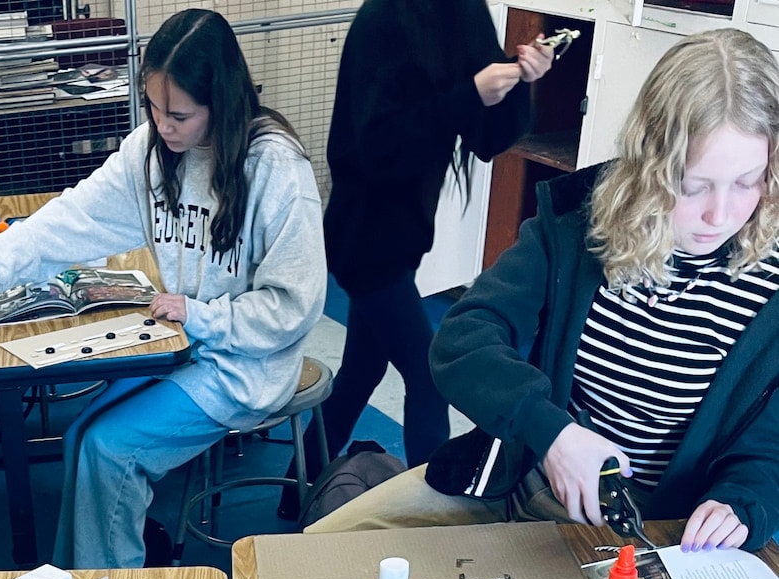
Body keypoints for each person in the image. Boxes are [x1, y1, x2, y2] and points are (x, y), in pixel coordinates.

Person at [312, 28, 779, 551]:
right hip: (515, 476)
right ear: (650, 167)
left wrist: (743, 502)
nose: (721, 214)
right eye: (693, 185)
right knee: (317, 548)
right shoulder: (581, 220)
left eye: (748, 181)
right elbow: (463, 338)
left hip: (648, 532)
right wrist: (549, 430)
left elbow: (769, 451)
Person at [0, 8, 327, 569]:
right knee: (81, 436)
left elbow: (292, 309)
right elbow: (70, 217)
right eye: (152, 106)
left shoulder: (275, 170)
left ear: (220, 103)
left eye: (179, 114)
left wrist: (202, 316)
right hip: (184, 345)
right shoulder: (149, 150)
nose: (162, 125)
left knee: (110, 450)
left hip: (247, 364)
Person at [299, 0, 552, 491]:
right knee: (429, 375)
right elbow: (375, 148)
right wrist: (468, 95)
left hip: (404, 239)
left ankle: (300, 489)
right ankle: (429, 518)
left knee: (360, 373)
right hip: (363, 240)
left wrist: (523, 80)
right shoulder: (382, 19)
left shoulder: (462, 14)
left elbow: (487, 138)